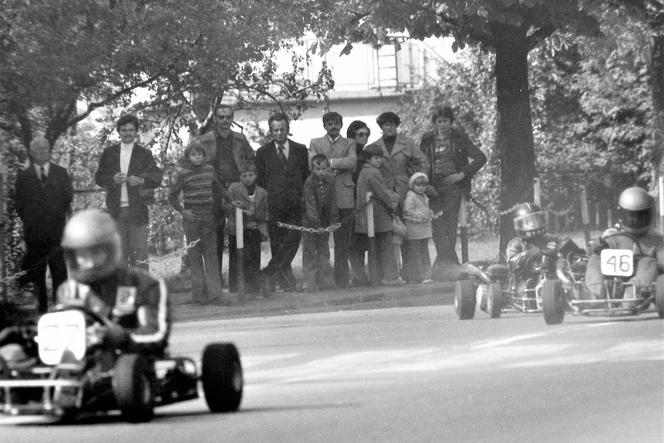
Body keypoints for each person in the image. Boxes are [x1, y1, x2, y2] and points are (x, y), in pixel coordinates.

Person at [57, 209, 170, 356]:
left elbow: (156, 335)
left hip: (130, 362)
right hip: (81, 365)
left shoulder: (142, 283)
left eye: (95, 253)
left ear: (110, 250)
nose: (89, 262)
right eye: (82, 255)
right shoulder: (68, 291)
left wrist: (121, 336)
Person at [419, 105, 487, 277]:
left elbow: (481, 157)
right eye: (439, 121)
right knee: (437, 227)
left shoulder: (459, 138)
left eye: (446, 121)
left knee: (449, 227)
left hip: (453, 187)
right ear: (434, 122)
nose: (442, 125)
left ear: (451, 121)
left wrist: (462, 175)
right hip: (433, 187)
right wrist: (425, 184)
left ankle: (443, 269)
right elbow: (420, 163)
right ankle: (452, 267)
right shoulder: (427, 140)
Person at [95, 114, 162, 270]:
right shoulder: (109, 152)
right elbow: (98, 177)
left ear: (136, 132)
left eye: (131, 130)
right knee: (118, 256)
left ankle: (141, 292)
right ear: (118, 131)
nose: (127, 133)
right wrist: (112, 179)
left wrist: (141, 180)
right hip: (115, 211)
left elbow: (157, 176)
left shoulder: (144, 154)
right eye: (124, 130)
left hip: (138, 210)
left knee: (140, 255)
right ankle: (123, 293)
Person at [14, 135, 73, 313]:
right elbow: (19, 205)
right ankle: (41, 313)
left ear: (49, 150)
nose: (42, 152)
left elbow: (67, 199)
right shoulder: (24, 177)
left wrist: (54, 218)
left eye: (45, 148)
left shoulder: (61, 173)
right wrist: (33, 223)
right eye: (38, 149)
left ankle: (62, 310)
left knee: (59, 274)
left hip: (57, 233)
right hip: (34, 234)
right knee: (37, 276)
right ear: (32, 153)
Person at [198, 104, 255, 286]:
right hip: (212, 191)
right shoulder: (204, 140)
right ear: (215, 119)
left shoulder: (240, 139)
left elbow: (250, 161)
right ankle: (215, 283)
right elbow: (192, 163)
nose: (224, 121)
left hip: (236, 191)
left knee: (237, 236)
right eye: (221, 117)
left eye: (228, 117)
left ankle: (237, 283)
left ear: (232, 119)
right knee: (214, 238)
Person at [255, 113, 309, 295]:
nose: (279, 133)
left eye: (282, 129)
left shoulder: (301, 150)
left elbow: (306, 175)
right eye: (275, 130)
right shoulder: (262, 153)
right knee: (277, 243)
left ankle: (269, 273)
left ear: (288, 130)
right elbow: (261, 181)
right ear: (271, 131)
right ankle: (286, 281)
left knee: (294, 239)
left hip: (295, 202)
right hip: (274, 204)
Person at [585, 187, 664, 300]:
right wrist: (596, 248)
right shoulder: (611, 235)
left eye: (641, 215)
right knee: (594, 259)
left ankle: (632, 295)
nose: (636, 220)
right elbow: (591, 255)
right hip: (611, 280)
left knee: (648, 261)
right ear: (622, 213)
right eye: (631, 215)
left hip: (642, 276)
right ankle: (596, 295)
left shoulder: (656, 240)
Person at [168, 141, 223, 305]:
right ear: (188, 157)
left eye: (199, 154)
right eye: (193, 154)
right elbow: (172, 197)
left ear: (204, 156)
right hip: (191, 215)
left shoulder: (209, 170)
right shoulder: (184, 174)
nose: (197, 157)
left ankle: (215, 294)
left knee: (211, 254)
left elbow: (219, 188)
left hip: (208, 214)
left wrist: (230, 200)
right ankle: (199, 295)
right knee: (195, 255)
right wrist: (183, 211)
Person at [308, 111, 356, 288]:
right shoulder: (315, 142)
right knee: (321, 243)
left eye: (336, 122)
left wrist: (328, 163)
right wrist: (337, 165)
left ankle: (342, 280)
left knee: (342, 242)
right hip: (322, 197)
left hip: (344, 197)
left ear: (341, 124)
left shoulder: (349, 142)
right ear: (324, 126)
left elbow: (352, 162)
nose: (333, 126)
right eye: (329, 123)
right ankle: (324, 281)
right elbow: (312, 164)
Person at [355, 145, 402, 286]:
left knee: (373, 247)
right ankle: (391, 277)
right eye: (376, 158)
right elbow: (382, 193)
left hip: (368, 213)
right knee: (386, 246)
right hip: (378, 213)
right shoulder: (373, 172)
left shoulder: (364, 172)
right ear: (368, 159)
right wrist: (392, 206)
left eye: (380, 157)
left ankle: (376, 277)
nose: (379, 160)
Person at [224, 160, 268, 296]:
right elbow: (225, 205)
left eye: (250, 175)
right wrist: (238, 209)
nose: (247, 178)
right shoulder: (234, 188)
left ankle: (253, 287)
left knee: (254, 258)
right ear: (240, 177)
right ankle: (235, 287)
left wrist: (254, 214)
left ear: (255, 176)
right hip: (237, 229)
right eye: (244, 175)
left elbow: (265, 212)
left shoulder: (262, 192)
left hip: (254, 229)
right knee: (236, 258)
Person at [368, 111, 429, 203]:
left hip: (406, 189)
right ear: (381, 127)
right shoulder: (375, 146)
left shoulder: (407, 143)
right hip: (384, 190)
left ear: (396, 126)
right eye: (387, 125)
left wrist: (420, 181)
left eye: (393, 124)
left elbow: (424, 161)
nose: (390, 128)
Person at [301, 154, 338, 293]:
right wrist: (316, 225)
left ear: (328, 168)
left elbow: (334, 201)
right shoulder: (309, 182)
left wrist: (333, 220)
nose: (320, 172)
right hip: (310, 222)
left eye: (323, 169)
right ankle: (309, 282)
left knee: (324, 251)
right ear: (312, 169)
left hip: (325, 221)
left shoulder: (331, 180)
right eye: (317, 169)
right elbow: (310, 205)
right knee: (309, 251)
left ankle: (325, 281)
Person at [347, 120, 371, 287]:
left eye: (366, 134)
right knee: (352, 240)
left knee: (363, 239)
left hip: (366, 200)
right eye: (360, 134)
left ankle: (362, 274)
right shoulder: (350, 152)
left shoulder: (368, 154)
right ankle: (357, 274)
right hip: (350, 199)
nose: (364, 137)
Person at [402, 172, 434, 284]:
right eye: (418, 185)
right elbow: (407, 210)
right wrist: (420, 215)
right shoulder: (411, 197)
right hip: (414, 231)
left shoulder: (424, 197)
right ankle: (416, 276)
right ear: (413, 186)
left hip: (423, 230)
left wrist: (429, 213)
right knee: (416, 254)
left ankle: (426, 275)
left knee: (424, 252)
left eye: (423, 185)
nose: (421, 188)